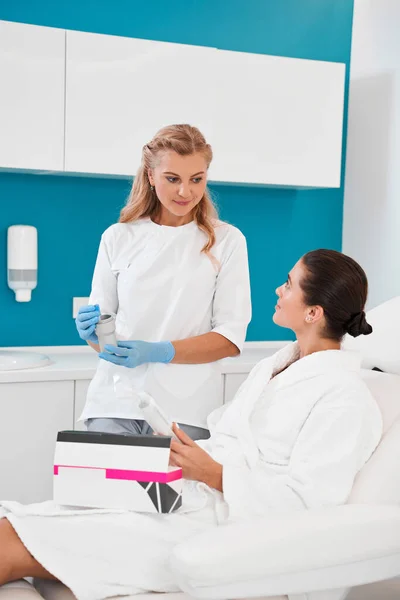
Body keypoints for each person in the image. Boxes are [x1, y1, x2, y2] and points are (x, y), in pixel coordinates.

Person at [0, 249, 383, 599]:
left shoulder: (344, 398)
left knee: (13, 544)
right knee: (17, 520)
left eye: (288, 283)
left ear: (313, 312)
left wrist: (216, 475)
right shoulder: (277, 365)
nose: (278, 289)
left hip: (219, 531)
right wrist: (185, 451)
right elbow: (231, 434)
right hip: (187, 499)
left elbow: (311, 506)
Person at [74, 124, 252, 440]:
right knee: (103, 490)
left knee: (168, 492)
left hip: (185, 409)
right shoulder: (118, 237)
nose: (185, 191)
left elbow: (229, 338)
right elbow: (104, 339)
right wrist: (90, 333)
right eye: (173, 179)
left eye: (196, 179)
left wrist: (158, 351)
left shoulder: (227, 241)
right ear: (150, 176)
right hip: (114, 402)